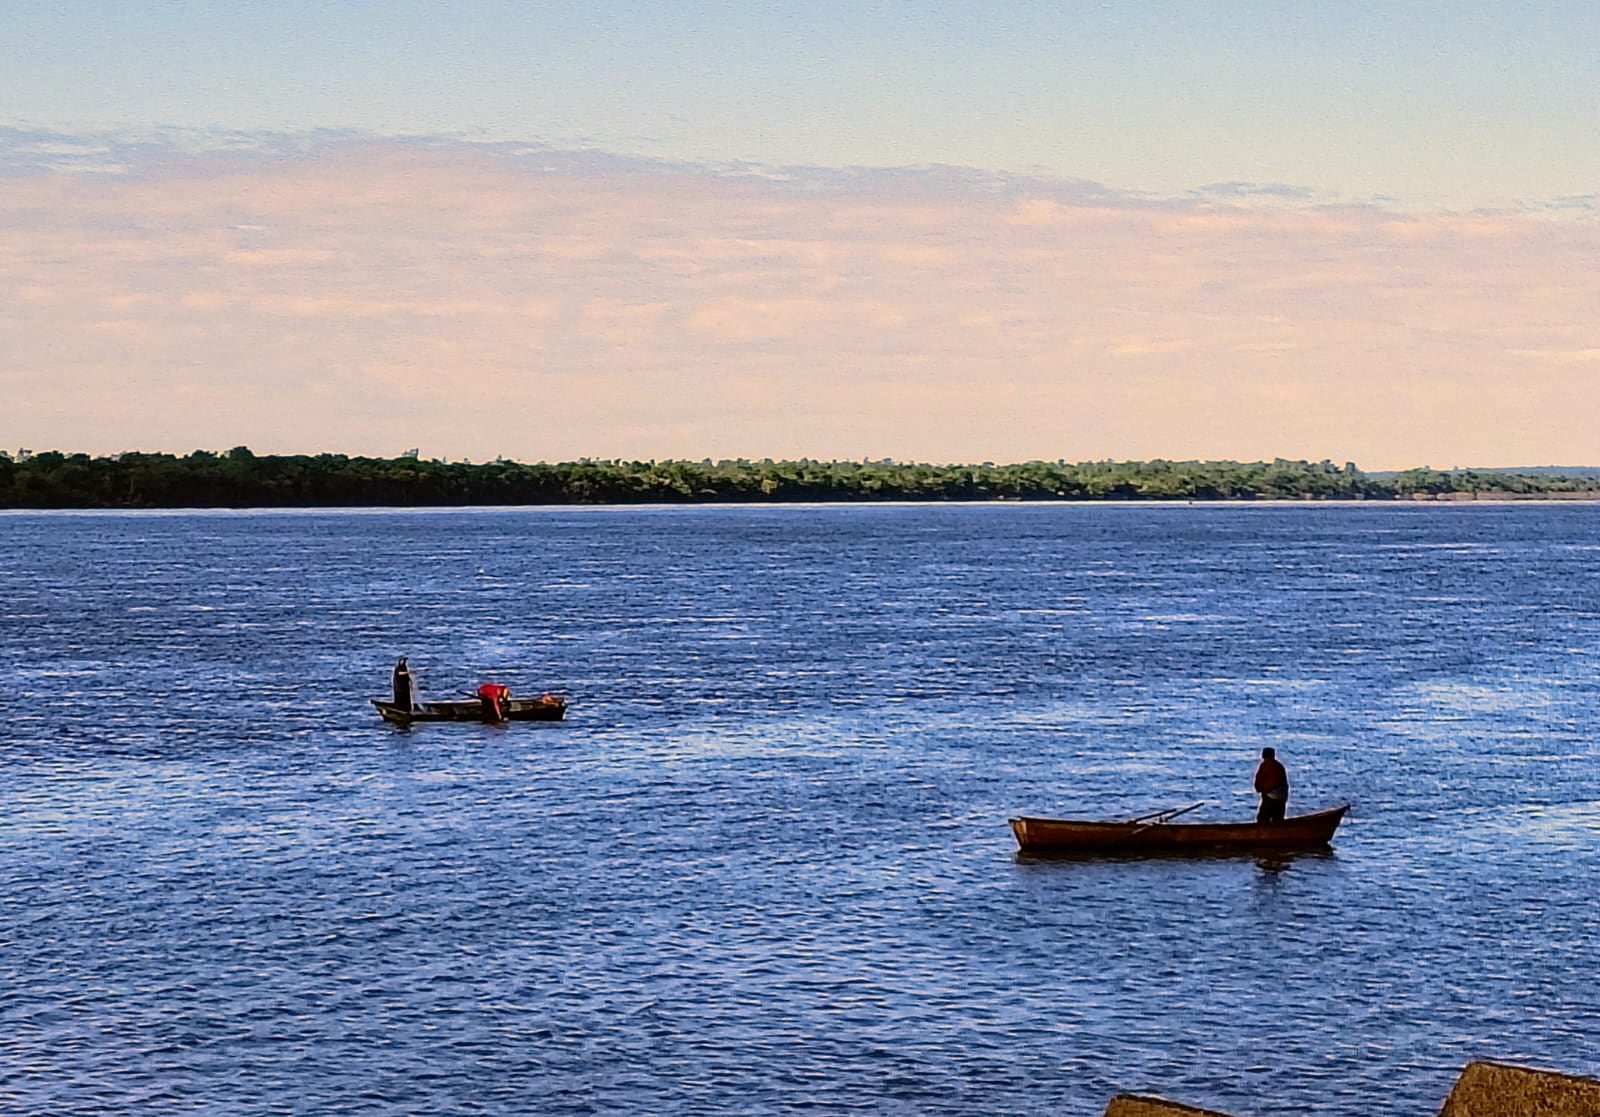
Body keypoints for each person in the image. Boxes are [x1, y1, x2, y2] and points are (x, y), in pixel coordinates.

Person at [1254, 746, 1289, 824]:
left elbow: (1258, 783)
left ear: (1263, 755)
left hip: (1271, 795)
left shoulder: (1264, 765)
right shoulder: (1279, 765)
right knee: (1278, 819)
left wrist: (1261, 789)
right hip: (1283, 795)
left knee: (1262, 818)